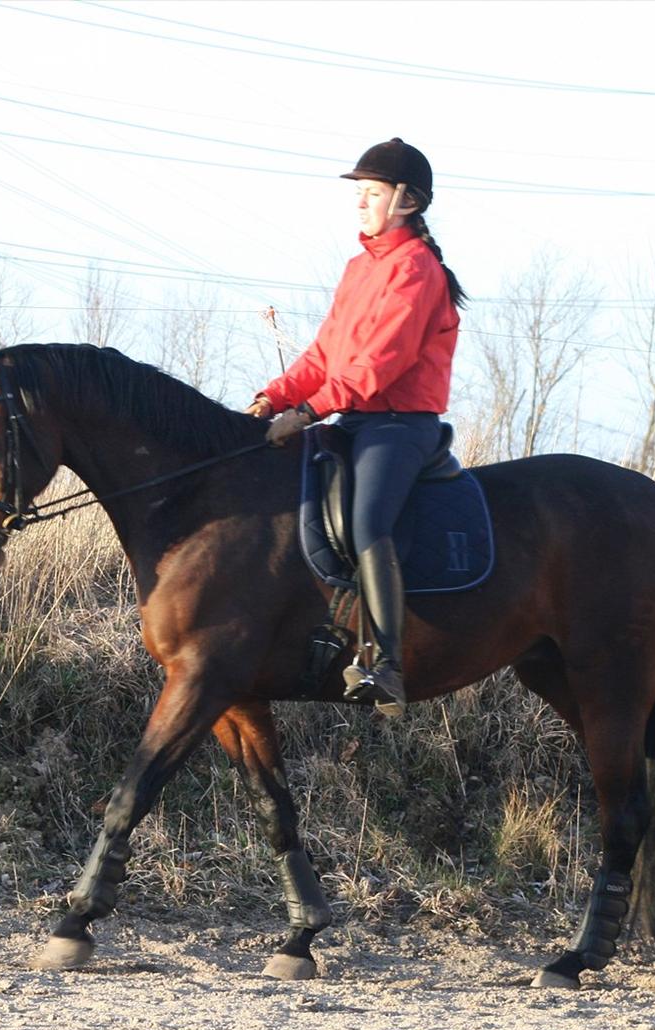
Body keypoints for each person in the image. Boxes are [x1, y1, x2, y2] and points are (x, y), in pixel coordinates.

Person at [245, 137, 466, 709]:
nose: (360, 202)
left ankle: (386, 664)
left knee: (367, 521)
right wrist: (273, 398)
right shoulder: (359, 268)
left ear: (406, 201)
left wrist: (307, 411)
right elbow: (325, 354)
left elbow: (379, 363)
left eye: (372, 192)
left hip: (399, 426)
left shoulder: (417, 271)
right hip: (353, 418)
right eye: (359, 193)